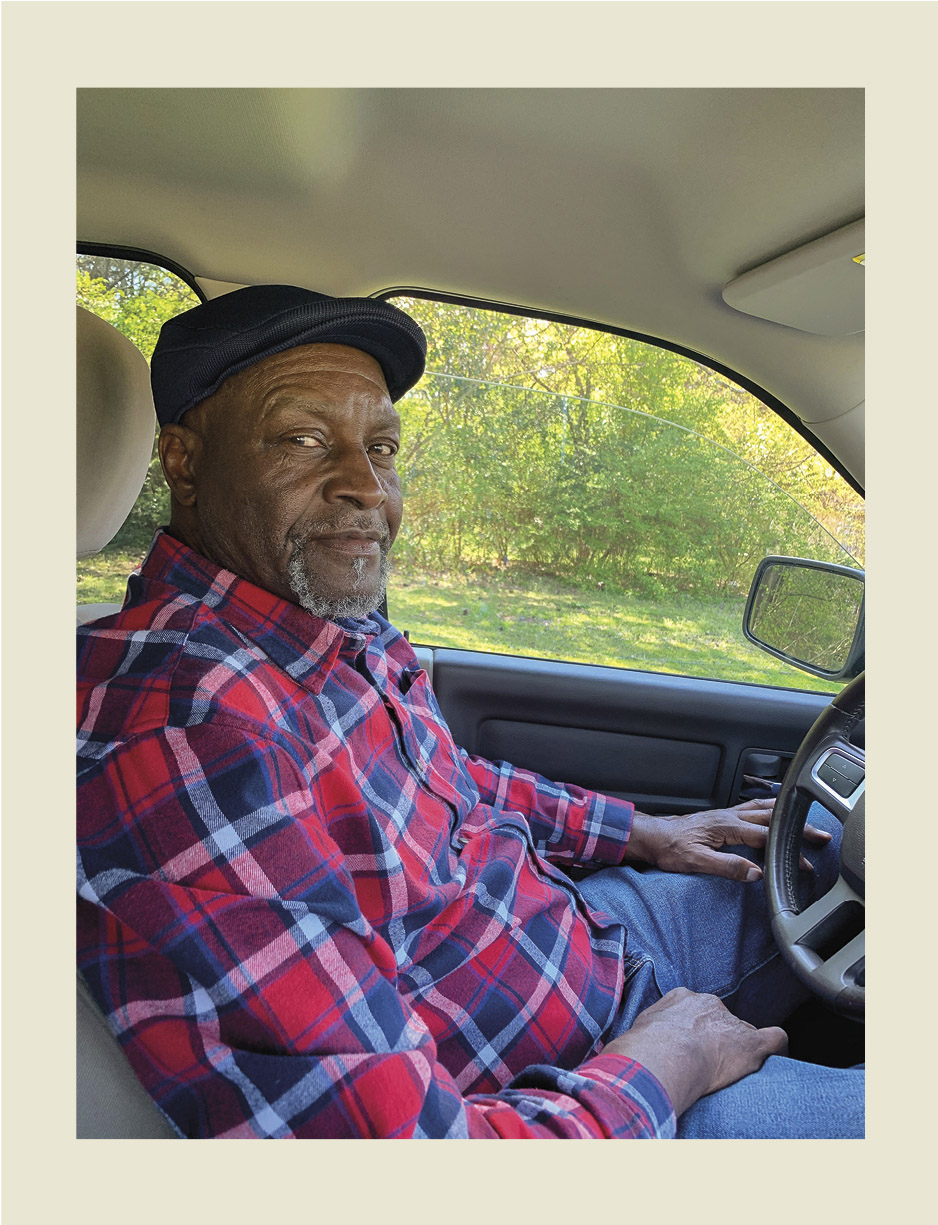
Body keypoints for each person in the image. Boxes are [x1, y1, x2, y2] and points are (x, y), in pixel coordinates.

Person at [77, 286, 864, 1139]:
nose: (365, 487)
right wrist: (668, 1061)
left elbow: (446, 779)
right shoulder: (186, 727)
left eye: (382, 445)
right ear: (184, 462)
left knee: (824, 873)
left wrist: (644, 833)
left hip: (585, 943)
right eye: (304, 439)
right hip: (574, 1095)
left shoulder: (311, 620)